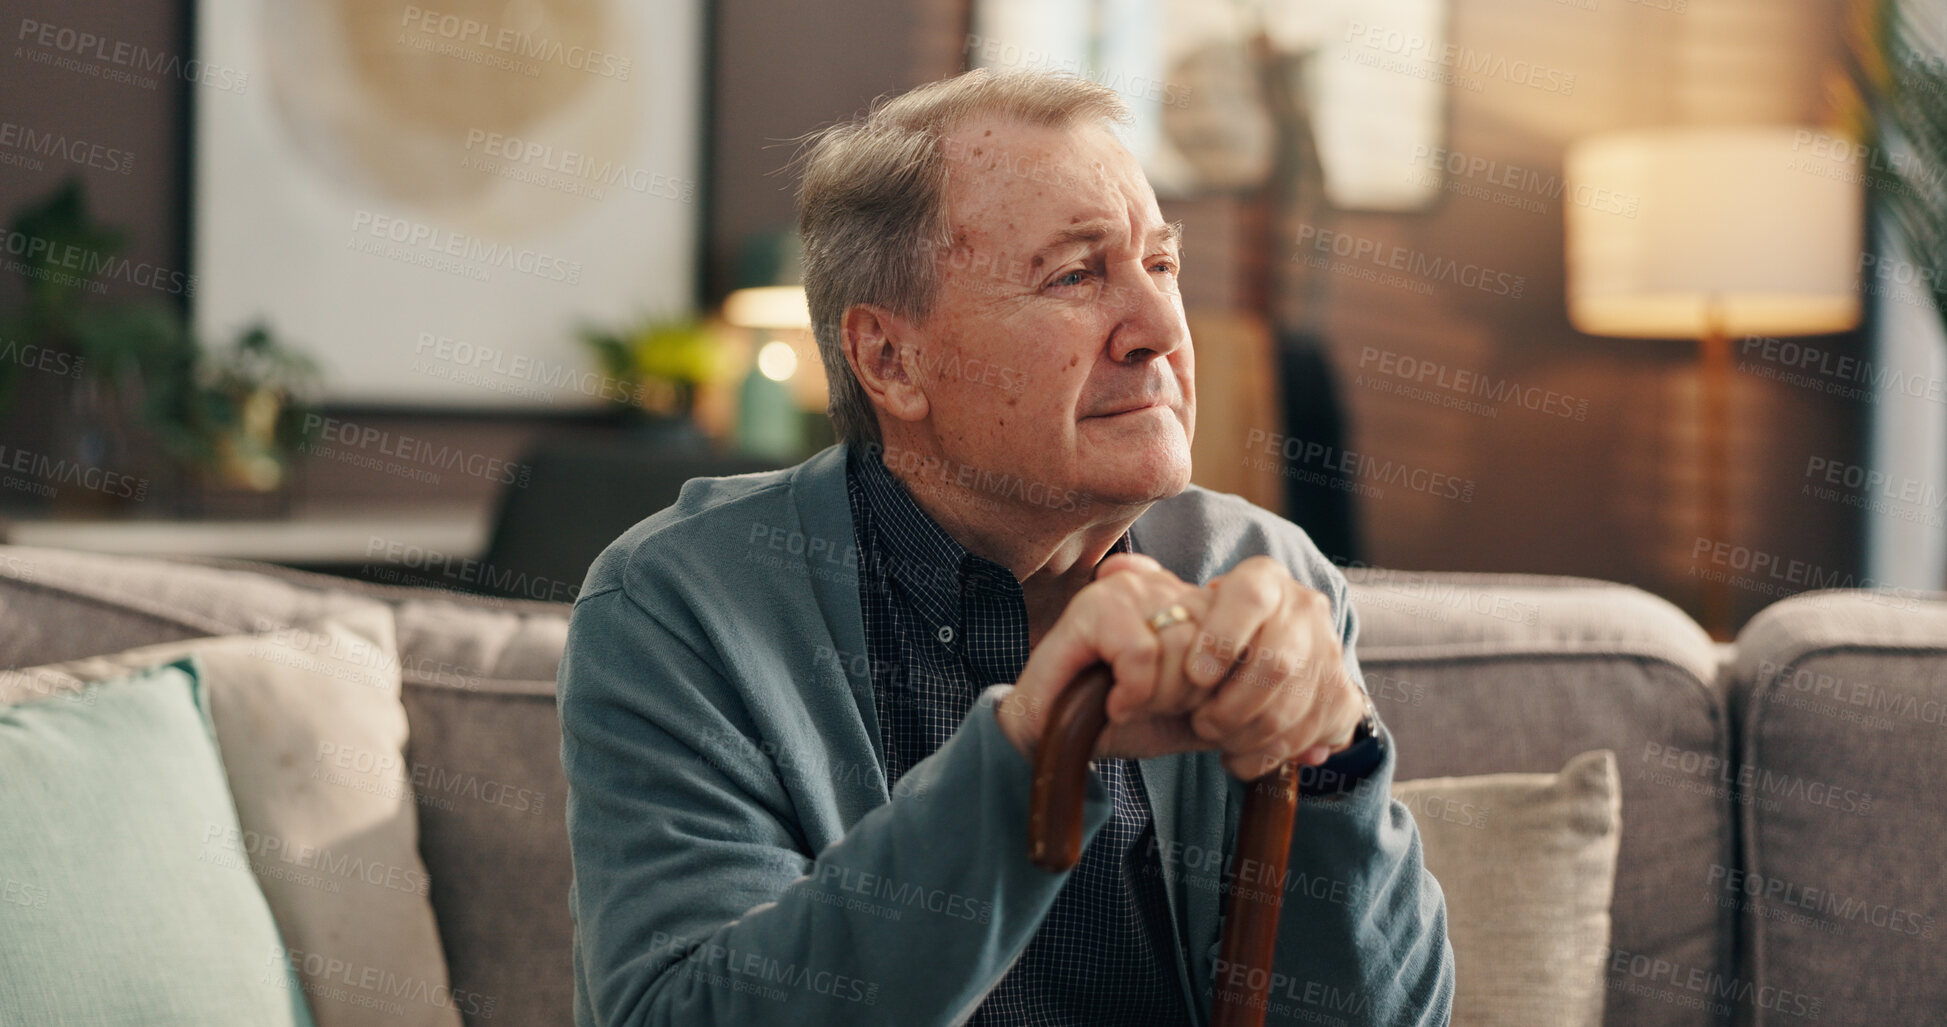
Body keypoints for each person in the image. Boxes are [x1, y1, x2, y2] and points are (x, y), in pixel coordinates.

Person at [558, 68, 1454, 1027]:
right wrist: (1030, 756)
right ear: (891, 360)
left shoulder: (1262, 570)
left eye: (1161, 266)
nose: (1159, 330)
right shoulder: (680, 604)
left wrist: (1332, 766)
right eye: (1074, 273)